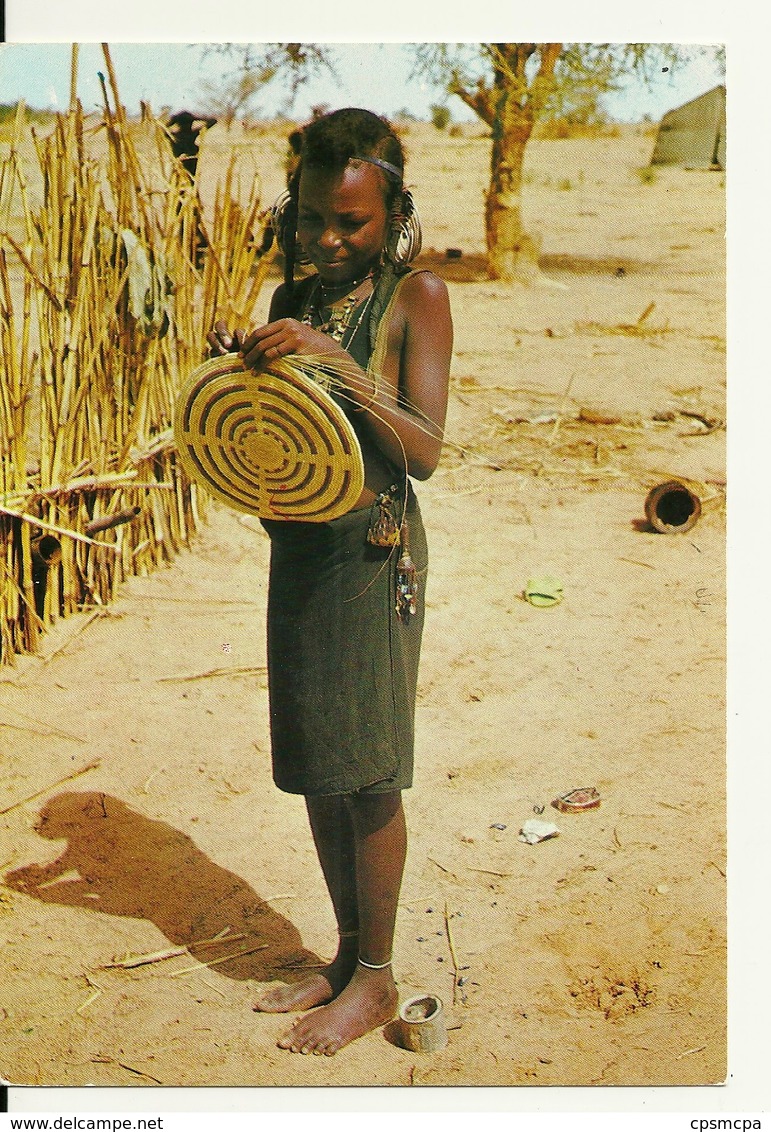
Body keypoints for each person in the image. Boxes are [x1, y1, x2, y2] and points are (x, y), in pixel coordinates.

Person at [207, 107, 453, 1056]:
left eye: (349, 221)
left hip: (374, 553)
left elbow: (423, 450)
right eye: (312, 217)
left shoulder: (414, 297)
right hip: (302, 544)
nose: (326, 238)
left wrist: (341, 368)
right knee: (317, 762)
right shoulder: (289, 300)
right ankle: (346, 955)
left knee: (370, 767)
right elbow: (280, 437)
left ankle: (380, 981)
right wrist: (244, 376)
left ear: (392, 216)